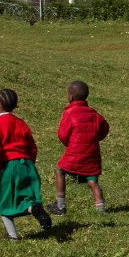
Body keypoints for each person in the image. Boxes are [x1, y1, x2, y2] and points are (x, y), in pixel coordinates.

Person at [0, 88, 53, 239]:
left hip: (6, 167)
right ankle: (33, 208)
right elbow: (32, 147)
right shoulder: (21, 124)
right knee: (26, 197)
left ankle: (13, 236)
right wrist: (30, 164)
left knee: (4, 201)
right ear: (15, 106)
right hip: (26, 165)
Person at [46, 80, 109, 216]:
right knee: (92, 181)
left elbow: (62, 134)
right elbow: (105, 127)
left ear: (71, 97)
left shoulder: (69, 113)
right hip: (92, 153)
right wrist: (95, 138)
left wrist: (70, 143)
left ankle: (60, 206)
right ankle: (101, 208)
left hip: (74, 152)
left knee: (60, 170)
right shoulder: (94, 114)